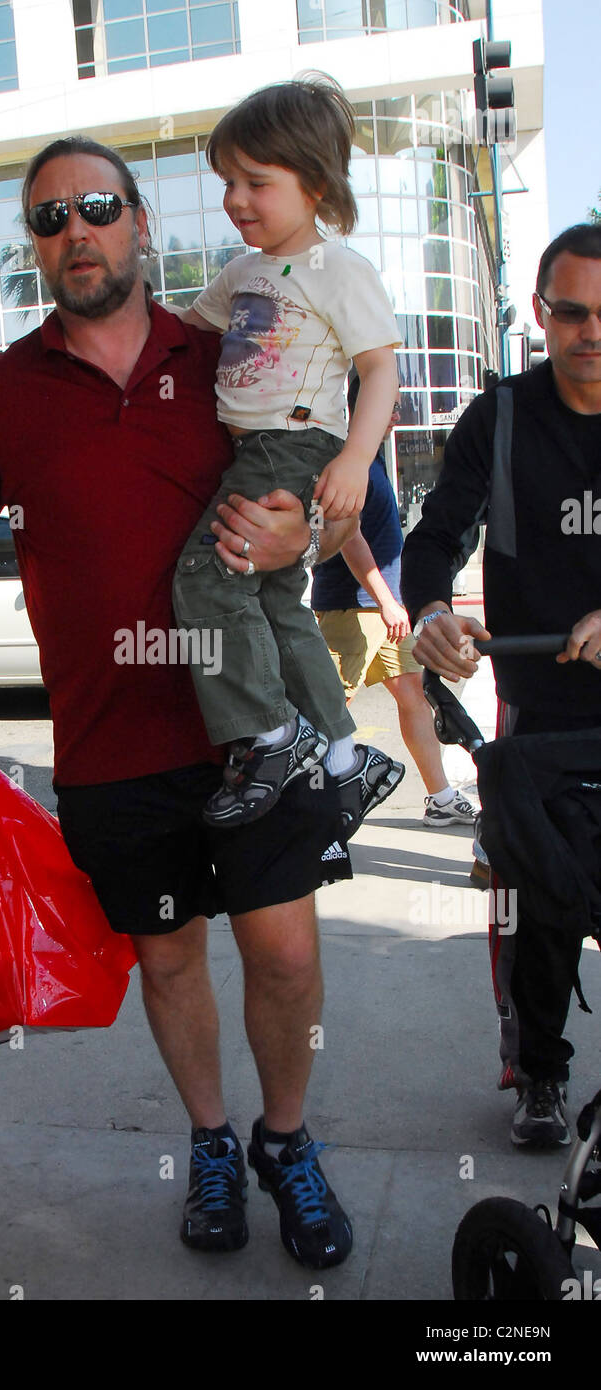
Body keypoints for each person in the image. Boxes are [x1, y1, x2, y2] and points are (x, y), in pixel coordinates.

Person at [0, 135, 358, 1269]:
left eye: (95, 206)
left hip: (253, 731)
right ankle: (207, 1141)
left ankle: (284, 1141)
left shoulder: (229, 350)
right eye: (49, 218)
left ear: (140, 221)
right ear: (36, 247)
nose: (74, 231)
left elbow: (329, 480)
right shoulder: (1, 394)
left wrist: (313, 526)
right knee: (166, 959)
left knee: (285, 954)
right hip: (109, 746)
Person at [402, 223, 601, 1147]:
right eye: (572, 312)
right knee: (538, 903)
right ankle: (539, 1075)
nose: (591, 331)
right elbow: (437, 533)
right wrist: (435, 609)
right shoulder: (502, 416)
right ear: (540, 314)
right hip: (536, 718)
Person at [172, 74, 404, 832]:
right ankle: (343, 754)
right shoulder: (242, 273)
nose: (236, 198)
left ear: (314, 184)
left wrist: (354, 464)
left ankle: (271, 736)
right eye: (228, 181)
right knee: (276, 604)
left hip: (297, 446)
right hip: (259, 451)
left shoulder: (339, 270)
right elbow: (186, 332)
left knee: (205, 583)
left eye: (256, 182)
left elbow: (380, 370)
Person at [313, 375, 477, 828]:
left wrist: (393, 602)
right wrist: (387, 601)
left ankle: (441, 797)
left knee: (412, 697)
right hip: (354, 608)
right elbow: (348, 537)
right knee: (324, 713)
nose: (397, 416)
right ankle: (307, 813)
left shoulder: (369, 458)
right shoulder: (349, 459)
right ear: (361, 404)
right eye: (390, 404)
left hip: (384, 607)